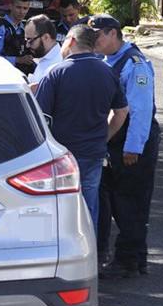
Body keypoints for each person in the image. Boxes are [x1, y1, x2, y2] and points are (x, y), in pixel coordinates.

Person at [34, 25, 129, 230]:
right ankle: (89, 255)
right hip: (93, 152)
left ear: (71, 41)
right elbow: (121, 111)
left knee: (54, 208)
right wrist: (104, 136)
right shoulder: (108, 72)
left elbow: (41, 118)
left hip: (60, 155)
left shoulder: (55, 73)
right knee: (87, 207)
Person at [91, 14, 161, 279]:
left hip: (133, 141)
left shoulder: (135, 64)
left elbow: (141, 111)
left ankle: (128, 259)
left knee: (130, 203)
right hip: (116, 138)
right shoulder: (107, 60)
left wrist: (133, 147)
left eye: (98, 35)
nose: (94, 40)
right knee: (119, 201)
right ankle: (136, 257)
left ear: (112, 33)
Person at [0, 0, 34, 75]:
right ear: (11, 6)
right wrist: (18, 60)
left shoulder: (22, 28)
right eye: (18, 7)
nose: (22, 12)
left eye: (25, 8)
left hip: (18, 73)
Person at [24, 15, 63, 89]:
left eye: (30, 40)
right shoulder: (44, 58)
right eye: (26, 40)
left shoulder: (59, 64)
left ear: (46, 37)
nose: (27, 45)